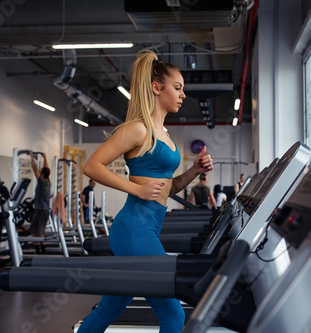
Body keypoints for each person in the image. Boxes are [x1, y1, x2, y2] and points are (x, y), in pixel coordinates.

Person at [81, 50, 214, 333]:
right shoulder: (138, 129)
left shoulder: (163, 134)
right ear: (156, 88)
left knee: (109, 308)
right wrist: (136, 189)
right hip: (134, 229)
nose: (183, 95)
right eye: (177, 88)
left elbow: (168, 188)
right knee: (173, 315)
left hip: (146, 228)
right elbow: (91, 166)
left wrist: (193, 172)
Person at [29, 151, 51, 255]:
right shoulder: (48, 182)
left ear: (42, 174)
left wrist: (31, 157)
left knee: (34, 233)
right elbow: (46, 170)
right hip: (44, 211)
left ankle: (39, 254)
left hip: (40, 211)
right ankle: (43, 253)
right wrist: (45, 157)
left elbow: (35, 169)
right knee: (40, 233)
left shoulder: (42, 182)